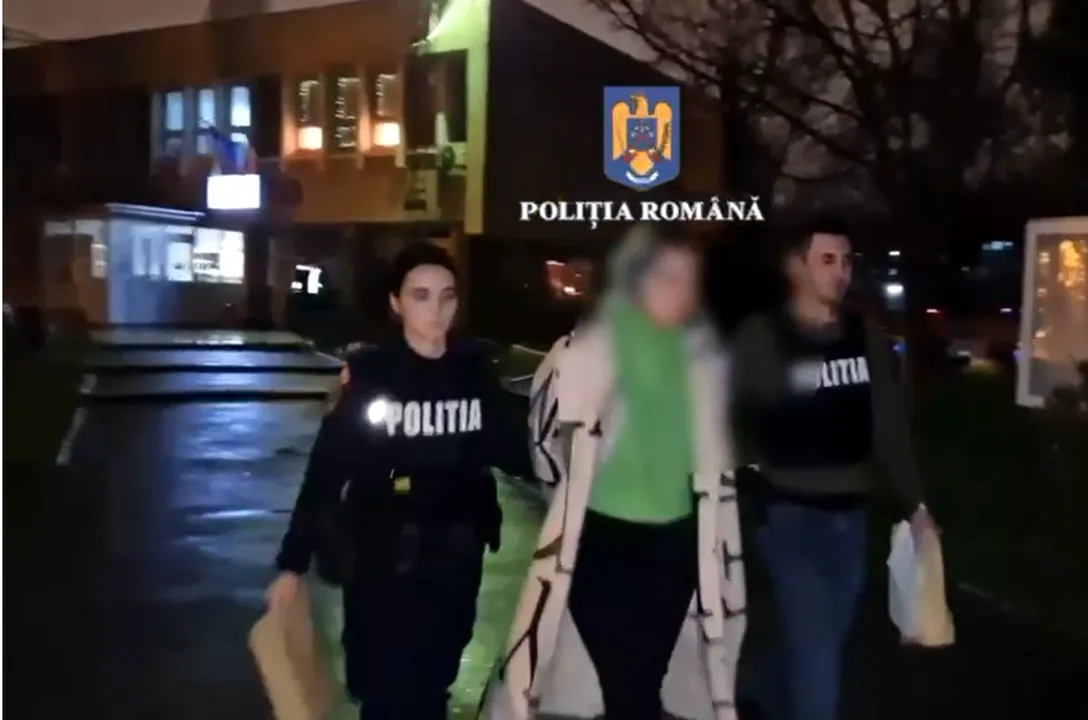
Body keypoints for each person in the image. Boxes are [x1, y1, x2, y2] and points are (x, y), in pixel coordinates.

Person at [481, 224, 746, 720]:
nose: (681, 291)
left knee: (644, 682)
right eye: (668, 277)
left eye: (689, 279)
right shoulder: (584, 352)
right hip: (602, 545)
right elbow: (545, 449)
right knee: (625, 686)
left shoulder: (700, 361)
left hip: (674, 545)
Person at [266, 241, 530, 720]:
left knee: (434, 684)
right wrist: (292, 562)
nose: (436, 310)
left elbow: (516, 451)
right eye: (420, 296)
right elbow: (328, 468)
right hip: (382, 562)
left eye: (447, 296)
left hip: (455, 560)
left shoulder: (473, 373)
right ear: (396, 302)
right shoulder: (372, 375)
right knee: (384, 692)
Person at [732, 216, 936, 720]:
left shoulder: (864, 337)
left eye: (846, 261)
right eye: (827, 260)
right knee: (817, 646)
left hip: (849, 521)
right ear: (795, 267)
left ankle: (759, 692)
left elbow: (888, 425)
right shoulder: (764, 336)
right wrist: (744, 472)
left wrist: (916, 505)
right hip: (787, 518)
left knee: (822, 639)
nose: (841, 272)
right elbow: (732, 410)